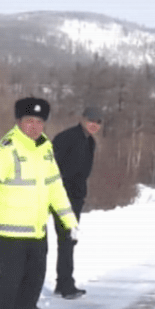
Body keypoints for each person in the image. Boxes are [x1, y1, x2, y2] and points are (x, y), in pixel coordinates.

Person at [0, 97, 78, 309]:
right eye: (29, 121)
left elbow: (55, 187)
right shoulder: (5, 149)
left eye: (39, 121)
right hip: (9, 228)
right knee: (10, 280)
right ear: (18, 121)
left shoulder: (45, 149)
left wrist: (69, 220)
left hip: (36, 228)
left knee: (34, 278)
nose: (34, 126)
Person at [50, 105, 103, 298]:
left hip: (76, 197)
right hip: (61, 195)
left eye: (98, 122)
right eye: (91, 120)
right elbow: (51, 164)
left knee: (69, 240)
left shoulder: (90, 142)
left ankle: (63, 282)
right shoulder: (67, 138)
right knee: (65, 239)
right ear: (83, 119)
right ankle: (65, 285)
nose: (94, 125)